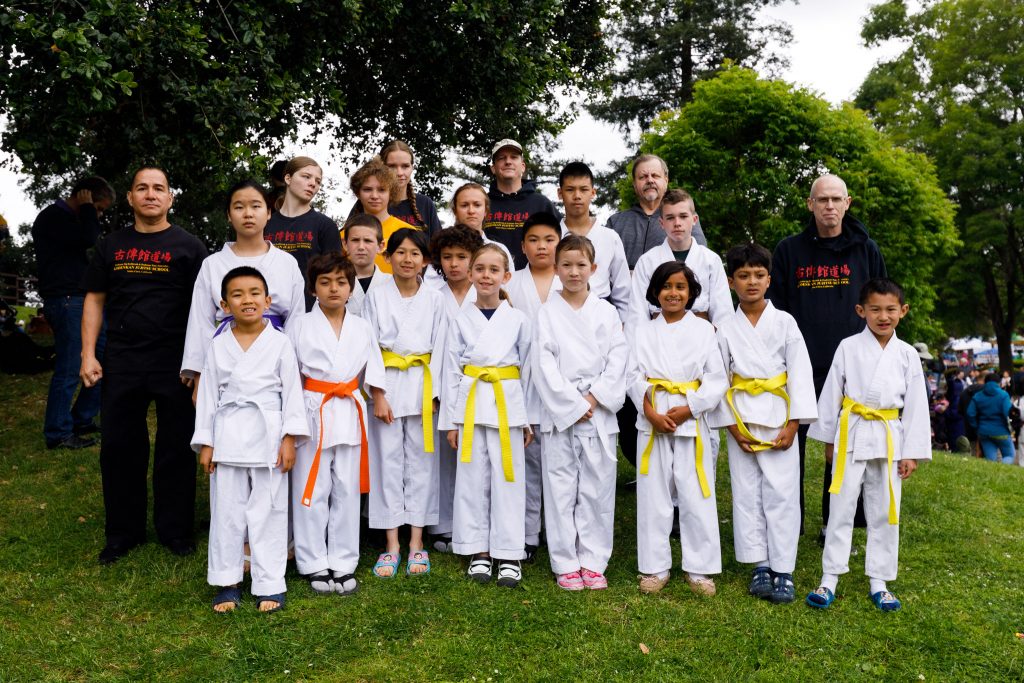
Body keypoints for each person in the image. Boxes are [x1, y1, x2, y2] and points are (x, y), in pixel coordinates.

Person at [80, 166, 208, 564]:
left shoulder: (190, 246)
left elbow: (204, 310)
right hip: (123, 361)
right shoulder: (111, 245)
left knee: (175, 449)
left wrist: (201, 366)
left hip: (176, 363)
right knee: (120, 449)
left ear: (170, 198)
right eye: (142, 188)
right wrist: (88, 354)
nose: (151, 194)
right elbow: (95, 299)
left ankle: (175, 531)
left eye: (159, 188)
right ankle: (123, 533)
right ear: (131, 198)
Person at [768, 173, 887, 539]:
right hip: (800, 363)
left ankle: (836, 521)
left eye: (836, 199)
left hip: (852, 365)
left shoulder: (865, 249)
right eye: (822, 200)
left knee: (844, 448)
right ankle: (790, 521)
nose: (830, 206)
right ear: (810, 204)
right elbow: (778, 309)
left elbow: (881, 301)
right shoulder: (789, 250)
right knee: (792, 447)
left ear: (848, 203)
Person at [805, 278, 930, 612]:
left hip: (889, 436)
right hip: (852, 432)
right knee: (840, 507)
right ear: (861, 311)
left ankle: (880, 580)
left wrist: (912, 453)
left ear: (903, 311)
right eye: (875, 309)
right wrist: (829, 439)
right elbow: (832, 391)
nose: (883, 316)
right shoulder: (848, 346)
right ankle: (829, 576)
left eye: (890, 309)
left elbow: (917, 404)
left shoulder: (907, 355)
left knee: (885, 510)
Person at [193, 266, 309, 613]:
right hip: (228, 433)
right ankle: (227, 581)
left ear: (268, 300)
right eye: (238, 294)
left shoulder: (280, 343)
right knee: (227, 511)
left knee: (269, 511)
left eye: (255, 293)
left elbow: (292, 393)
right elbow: (209, 394)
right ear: (225, 304)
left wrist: (289, 438)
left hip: (269, 434)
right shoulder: (218, 345)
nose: (247, 300)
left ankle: (270, 583)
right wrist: (206, 442)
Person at [709, 244, 817, 604]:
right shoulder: (724, 328)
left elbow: (800, 373)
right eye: (743, 275)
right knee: (746, 493)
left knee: (782, 494)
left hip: (779, 416)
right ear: (730, 282)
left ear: (769, 279)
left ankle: (783, 569)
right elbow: (718, 378)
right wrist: (731, 427)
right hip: (741, 418)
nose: (751, 282)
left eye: (758, 275)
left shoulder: (785, 322)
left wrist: (794, 423)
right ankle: (760, 564)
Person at [288, 252, 387, 596]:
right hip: (312, 408)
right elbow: (288, 373)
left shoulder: (361, 326)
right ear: (313, 288)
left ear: (351, 288)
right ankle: (313, 561)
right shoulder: (299, 324)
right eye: (325, 282)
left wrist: (380, 396)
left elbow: (374, 364)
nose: (333, 288)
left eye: (341, 282)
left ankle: (343, 562)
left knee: (346, 490)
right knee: (312, 489)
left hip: (349, 409)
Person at [532, 235, 627, 590]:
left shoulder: (606, 311)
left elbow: (619, 358)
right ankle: (565, 562)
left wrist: (596, 397)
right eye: (567, 265)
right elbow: (543, 363)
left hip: (598, 411)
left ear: (594, 269)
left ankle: (593, 560)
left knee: (597, 489)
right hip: (562, 413)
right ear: (556, 269)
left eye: (581, 265)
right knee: (560, 488)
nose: (574, 272)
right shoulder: (547, 312)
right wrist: (572, 404)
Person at [628, 262, 728, 595]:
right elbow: (632, 377)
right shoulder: (642, 330)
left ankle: (699, 569)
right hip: (653, 418)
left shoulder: (704, 330)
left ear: (691, 293)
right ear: (655, 292)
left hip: (690, 416)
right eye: (666, 287)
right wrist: (650, 412)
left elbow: (717, 379)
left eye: (680, 287)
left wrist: (690, 408)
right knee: (653, 493)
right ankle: (655, 568)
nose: (673, 293)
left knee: (696, 492)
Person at [444, 243, 532, 587]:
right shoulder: (460, 320)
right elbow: (451, 371)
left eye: (494, 270)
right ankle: (478, 549)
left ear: (506, 276)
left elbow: (529, 370)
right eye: (479, 269)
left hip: (507, 404)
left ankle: (509, 552)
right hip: (469, 406)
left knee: (508, 478)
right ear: (470, 274)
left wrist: (526, 418)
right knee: (471, 479)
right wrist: (451, 421)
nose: (486, 275)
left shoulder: (518, 319)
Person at [365, 229, 446, 577]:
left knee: (422, 463)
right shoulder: (376, 295)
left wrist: (435, 393)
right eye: (400, 252)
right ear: (387, 256)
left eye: (415, 253)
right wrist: (378, 393)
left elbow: (443, 349)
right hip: (387, 381)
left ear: (425, 260)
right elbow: (368, 344)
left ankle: (416, 542)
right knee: (388, 462)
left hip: (422, 382)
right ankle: (391, 543)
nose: (408, 259)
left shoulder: (435, 299)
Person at [181, 180, 305, 392]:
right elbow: (200, 321)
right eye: (239, 207)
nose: (248, 213)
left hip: (275, 353)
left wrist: (293, 368)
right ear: (229, 215)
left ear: (268, 212)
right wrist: (200, 372)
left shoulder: (287, 263)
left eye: (256, 206)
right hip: (225, 355)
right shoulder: (212, 264)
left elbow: (296, 319)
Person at [33, 175, 114, 449]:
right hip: (65, 299)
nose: (99, 215)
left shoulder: (74, 221)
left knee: (103, 357)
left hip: (83, 299)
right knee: (69, 367)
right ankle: (57, 432)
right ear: (85, 196)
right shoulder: (52, 218)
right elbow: (89, 238)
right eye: (99, 208)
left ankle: (82, 418)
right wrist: (89, 209)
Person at [505, 212, 564, 560]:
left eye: (549, 239)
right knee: (527, 461)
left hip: (562, 383)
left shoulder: (571, 280)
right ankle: (528, 533)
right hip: (522, 381)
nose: (542, 246)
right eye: (534, 240)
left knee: (559, 464)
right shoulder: (511, 285)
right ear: (523, 246)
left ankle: (559, 530)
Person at [427, 225, 484, 552]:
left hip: (479, 384)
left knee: (475, 455)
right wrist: (435, 392)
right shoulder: (434, 297)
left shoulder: (486, 294)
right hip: (443, 383)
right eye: (447, 257)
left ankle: (472, 523)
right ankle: (443, 524)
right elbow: (431, 345)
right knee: (444, 457)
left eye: (462, 257)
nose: (454, 264)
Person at [629, 189, 732, 329]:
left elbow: (723, 313)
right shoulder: (647, 261)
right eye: (670, 218)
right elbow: (637, 314)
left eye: (683, 216)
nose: (677, 223)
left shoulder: (711, 260)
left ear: (694, 219)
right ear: (661, 223)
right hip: (657, 337)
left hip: (701, 337)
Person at [264, 156, 343, 310]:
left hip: (309, 313)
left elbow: (334, 274)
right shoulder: (265, 224)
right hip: (268, 313)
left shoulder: (325, 226)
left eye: (318, 181)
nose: (313, 183)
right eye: (306, 177)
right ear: (288, 178)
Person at [557, 162, 631, 323]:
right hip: (560, 314)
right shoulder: (552, 237)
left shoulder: (610, 237)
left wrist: (623, 325)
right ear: (560, 193)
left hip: (601, 317)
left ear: (593, 193)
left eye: (583, 189)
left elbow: (623, 291)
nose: (577, 196)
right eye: (570, 189)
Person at [606, 154, 706, 270]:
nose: (649, 180)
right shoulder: (616, 222)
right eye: (643, 177)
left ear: (666, 181)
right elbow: (603, 264)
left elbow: (699, 261)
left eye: (655, 175)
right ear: (634, 184)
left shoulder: (685, 218)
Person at [483, 139, 559, 269]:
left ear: (523, 166)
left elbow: (563, 242)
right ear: (493, 168)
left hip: (533, 282)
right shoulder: (482, 204)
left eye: (514, 157)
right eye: (502, 158)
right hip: (490, 282)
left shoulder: (541, 204)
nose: (508, 161)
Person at [349, 156, 417, 275]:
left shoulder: (409, 232)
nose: (374, 196)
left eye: (381, 190)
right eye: (367, 189)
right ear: (358, 193)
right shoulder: (345, 235)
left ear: (391, 193)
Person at [380, 140, 442, 237]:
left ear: (412, 168)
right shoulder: (371, 201)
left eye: (405, 166)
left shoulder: (425, 204)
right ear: (382, 168)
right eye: (392, 166)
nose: (399, 173)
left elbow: (438, 246)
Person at [341, 214, 391, 316]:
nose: (361, 247)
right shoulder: (333, 282)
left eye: (368, 241)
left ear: (380, 246)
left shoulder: (392, 283)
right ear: (345, 244)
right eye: (355, 240)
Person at [967, 374, 1014, 464]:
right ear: (999, 383)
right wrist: (1011, 428)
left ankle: (994, 475)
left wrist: (976, 426)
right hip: (1001, 431)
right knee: (1009, 455)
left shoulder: (978, 395)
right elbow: (1007, 414)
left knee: (991, 460)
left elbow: (970, 413)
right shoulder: (1003, 395)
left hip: (983, 432)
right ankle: (1001, 471)